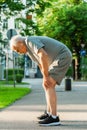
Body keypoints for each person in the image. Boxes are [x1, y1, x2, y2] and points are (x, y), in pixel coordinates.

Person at [10, 35, 72, 126]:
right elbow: (40, 63)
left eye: (17, 50)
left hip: (62, 56)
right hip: (58, 58)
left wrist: (47, 77)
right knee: (47, 84)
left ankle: (54, 118)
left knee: (49, 84)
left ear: (20, 43)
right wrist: (44, 77)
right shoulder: (29, 50)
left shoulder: (29, 41)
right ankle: (49, 113)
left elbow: (43, 55)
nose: (18, 52)